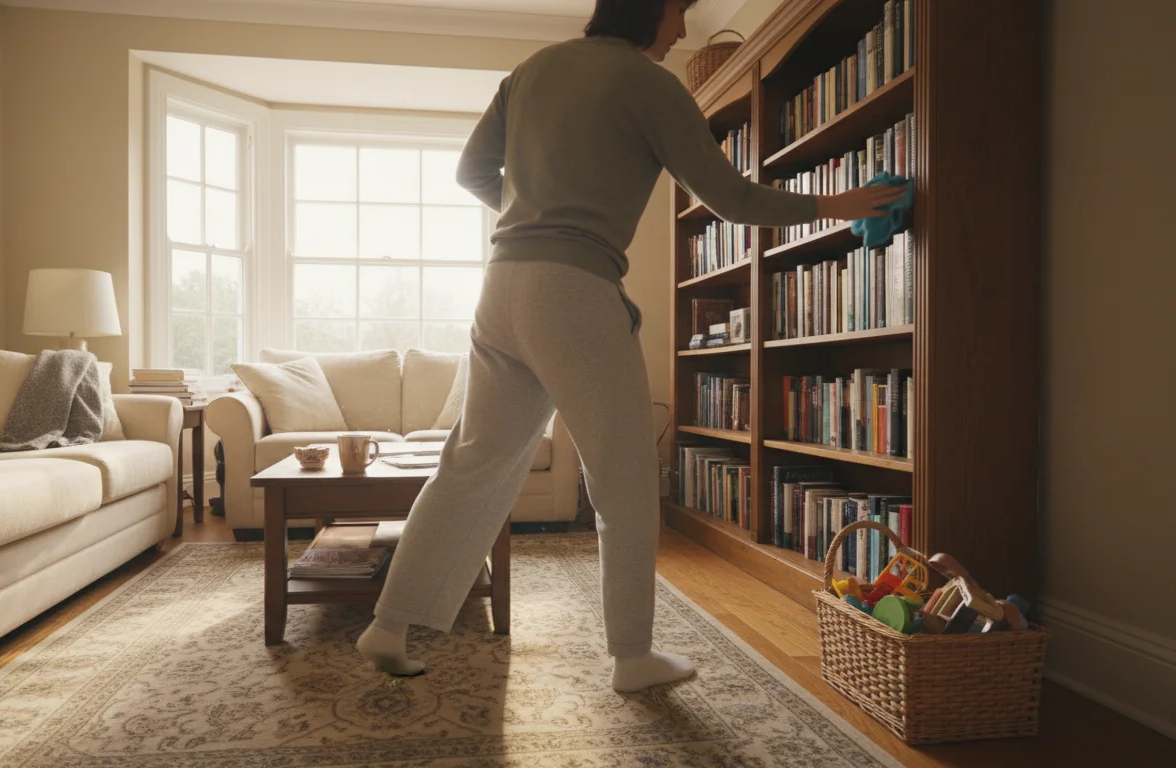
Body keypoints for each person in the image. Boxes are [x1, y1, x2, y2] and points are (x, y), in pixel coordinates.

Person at [357, 0, 909, 693]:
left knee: (468, 466)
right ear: (652, 8)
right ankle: (632, 656)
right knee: (623, 478)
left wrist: (536, 221)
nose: (681, 30)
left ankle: (389, 621)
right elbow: (732, 198)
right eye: (680, 12)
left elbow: (472, 173)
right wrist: (840, 204)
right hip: (573, 292)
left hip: (501, 287)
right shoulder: (649, 84)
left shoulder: (532, 70)